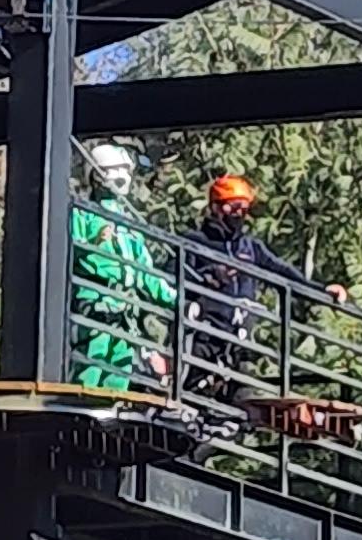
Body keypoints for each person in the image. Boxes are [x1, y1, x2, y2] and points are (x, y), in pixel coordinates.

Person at [182, 173, 343, 395]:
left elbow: (283, 272)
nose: (239, 213)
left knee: (242, 396)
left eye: (244, 208)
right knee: (190, 387)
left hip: (239, 342)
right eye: (233, 207)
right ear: (216, 208)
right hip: (204, 334)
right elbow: (174, 274)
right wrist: (210, 276)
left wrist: (321, 290)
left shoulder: (251, 248)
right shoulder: (194, 242)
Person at [68, 142, 175, 391]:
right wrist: (94, 243)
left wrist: (175, 299)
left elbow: (145, 271)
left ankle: (111, 407)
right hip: (95, 301)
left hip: (125, 309)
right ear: (98, 175)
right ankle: (83, 401)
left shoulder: (128, 224)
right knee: (93, 359)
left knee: (120, 363)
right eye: (117, 170)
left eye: (126, 171)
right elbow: (71, 249)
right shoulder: (84, 213)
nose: (123, 177)